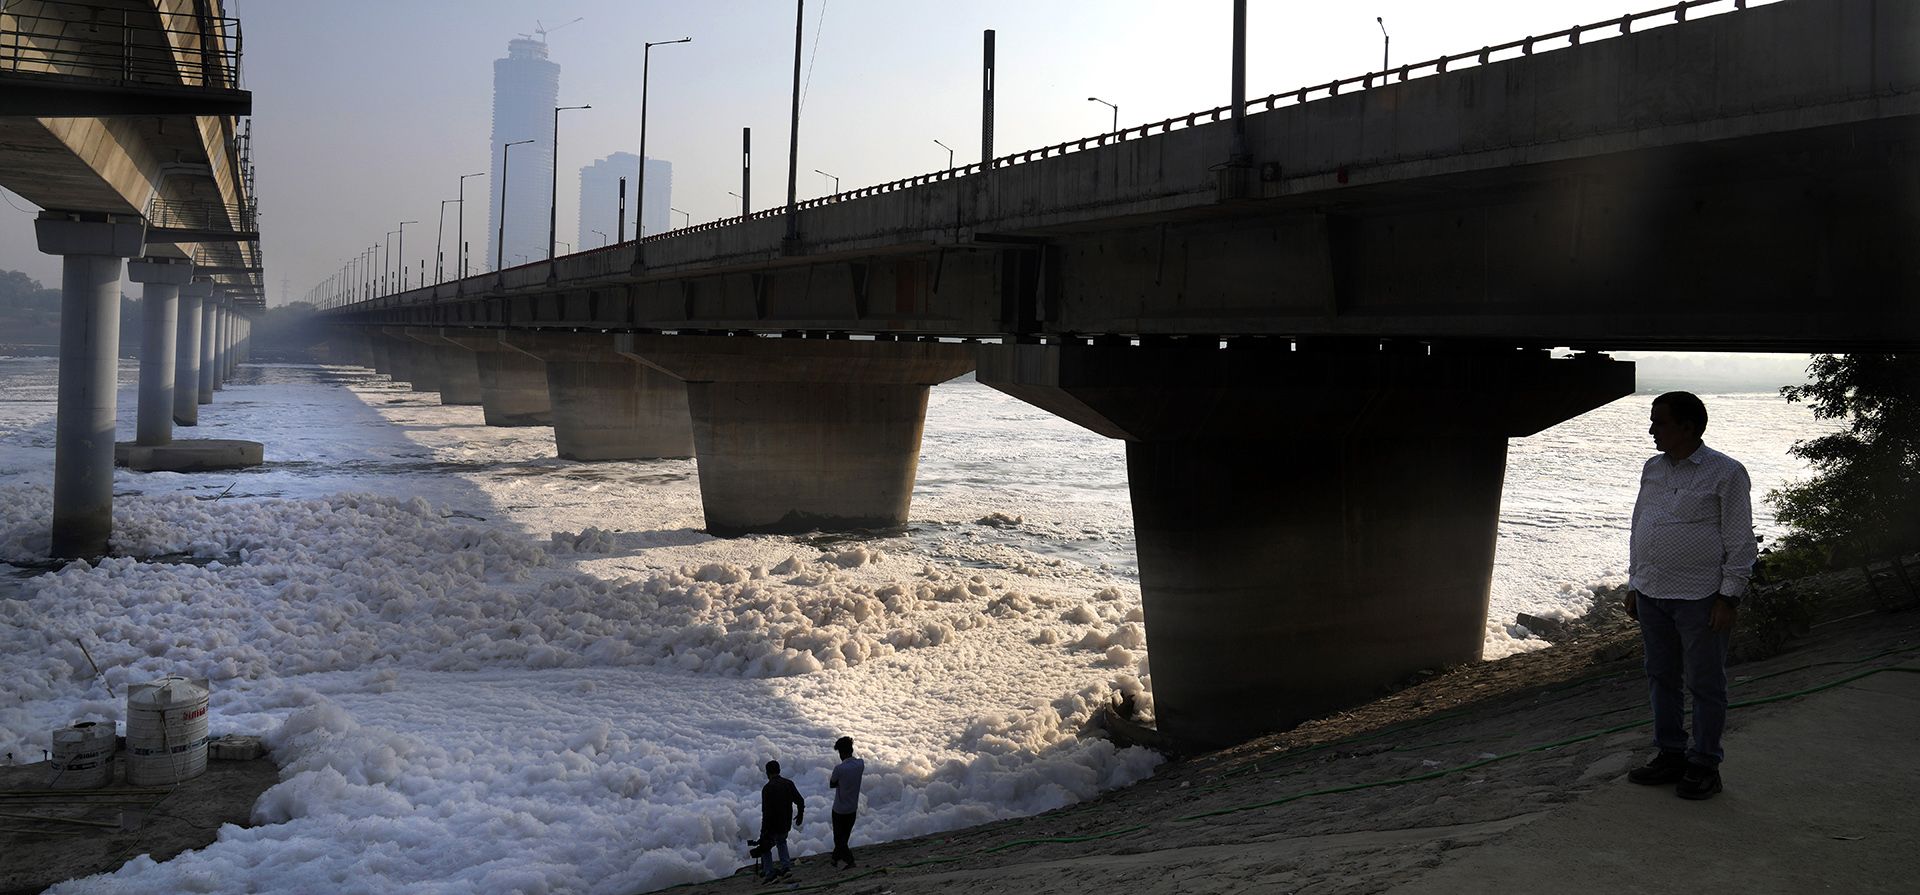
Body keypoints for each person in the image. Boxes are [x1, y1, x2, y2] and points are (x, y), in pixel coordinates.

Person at [1624, 391, 1756, 801]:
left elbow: (1740, 539)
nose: (1651, 430)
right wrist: (1634, 582)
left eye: (1659, 422)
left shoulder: (1726, 472)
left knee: (1705, 683)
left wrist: (1728, 597)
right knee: (1661, 676)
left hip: (1700, 596)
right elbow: (1640, 524)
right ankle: (1671, 753)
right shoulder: (1652, 468)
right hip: (1652, 592)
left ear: (1688, 427)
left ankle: (1704, 763)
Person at [757, 760, 805, 880]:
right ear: (779, 771)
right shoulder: (788, 784)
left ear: (768, 773)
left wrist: (763, 831)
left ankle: (768, 871)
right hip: (785, 824)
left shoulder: (767, 788)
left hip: (772, 826)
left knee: (765, 847)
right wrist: (800, 815)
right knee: (782, 843)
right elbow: (800, 800)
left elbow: (766, 812)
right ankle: (786, 867)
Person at [827, 735, 865, 869]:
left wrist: (840, 783)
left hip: (839, 809)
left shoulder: (839, 769)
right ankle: (834, 859)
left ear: (842, 753)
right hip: (852, 808)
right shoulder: (860, 764)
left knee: (839, 839)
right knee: (844, 837)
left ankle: (850, 861)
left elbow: (832, 784)